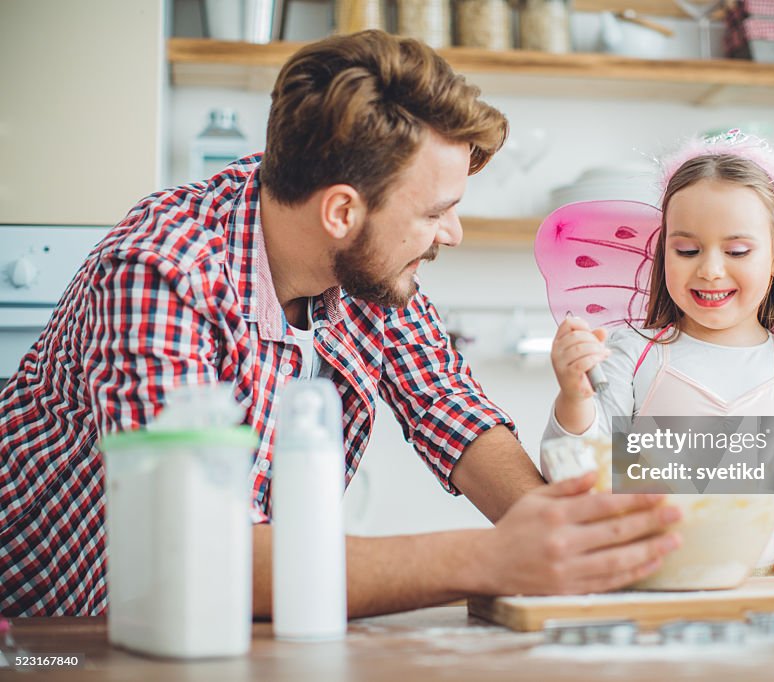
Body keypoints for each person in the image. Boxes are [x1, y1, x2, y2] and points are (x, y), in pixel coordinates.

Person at [0, 31, 682, 618]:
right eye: (434, 211)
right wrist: (492, 558)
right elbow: (199, 553)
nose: (455, 231)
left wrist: (577, 537)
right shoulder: (157, 274)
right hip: (49, 636)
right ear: (340, 213)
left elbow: (450, 407)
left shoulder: (367, 271)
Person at [545, 131, 774, 576]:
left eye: (737, 250)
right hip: (657, 587)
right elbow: (573, 476)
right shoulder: (632, 356)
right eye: (687, 250)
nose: (710, 269)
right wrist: (573, 396)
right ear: (664, 255)